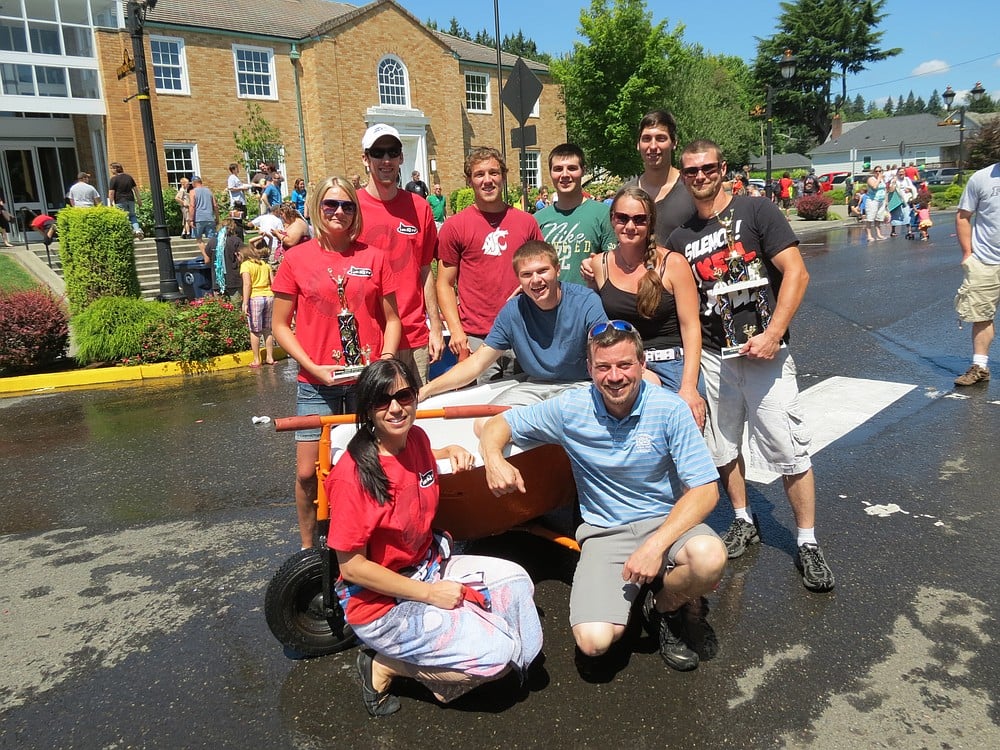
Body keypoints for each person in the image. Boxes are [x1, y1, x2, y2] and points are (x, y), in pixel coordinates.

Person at [479, 320, 725, 673]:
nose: (614, 376)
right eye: (603, 367)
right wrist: (493, 460)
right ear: (590, 369)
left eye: (625, 365)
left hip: (666, 522)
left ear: (642, 365)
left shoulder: (669, 409)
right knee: (593, 644)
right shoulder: (570, 408)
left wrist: (654, 547)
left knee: (709, 558)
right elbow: (499, 424)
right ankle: (647, 587)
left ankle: (665, 607)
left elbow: (704, 490)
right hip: (606, 531)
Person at [328, 359, 543, 716]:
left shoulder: (416, 439)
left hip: (429, 564)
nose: (396, 408)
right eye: (382, 401)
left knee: (517, 583)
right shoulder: (353, 476)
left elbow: (411, 469)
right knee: (498, 656)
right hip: (381, 601)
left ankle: (469, 652)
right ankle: (384, 665)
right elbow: (351, 569)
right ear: (366, 407)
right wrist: (430, 594)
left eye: (404, 395)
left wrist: (446, 452)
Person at [667, 139, 835, 593]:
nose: (700, 176)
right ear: (683, 177)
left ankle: (807, 541)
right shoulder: (681, 238)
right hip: (715, 359)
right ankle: (743, 518)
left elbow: (797, 273)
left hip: (767, 357)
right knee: (723, 448)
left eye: (707, 168)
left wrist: (774, 333)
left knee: (789, 449)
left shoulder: (757, 212)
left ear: (723, 169)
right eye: (691, 171)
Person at [271, 175, 401, 549]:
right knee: (307, 473)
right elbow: (280, 325)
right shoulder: (296, 258)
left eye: (347, 205)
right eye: (331, 205)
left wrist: (386, 362)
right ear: (317, 208)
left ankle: (371, 539)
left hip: (365, 382)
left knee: (370, 465)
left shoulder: (374, 257)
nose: (339, 212)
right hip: (316, 384)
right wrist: (311, 366)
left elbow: (392, 319)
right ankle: (309, 549)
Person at [419, 240, 607, 414]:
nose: (535, 280)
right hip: (534, 386)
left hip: (580, 386)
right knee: (485, 424)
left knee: (563, 417)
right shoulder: (513, 311)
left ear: (557, 270)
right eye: (526, 274)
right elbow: (477, 363)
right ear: (518, 278)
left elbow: (608, 351)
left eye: (542, 271)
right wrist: (426, 390)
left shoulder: (586, 302)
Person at [587, 186, 705, 428]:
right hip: (623, 371)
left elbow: (691, 327)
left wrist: (689, 387)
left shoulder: (673, 264)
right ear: (612, 219)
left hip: (673, 367)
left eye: (639, 219)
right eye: (622, 218)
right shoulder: (599, 265)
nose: (630, 226)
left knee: (682, 451)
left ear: (650, 223)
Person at [436, 147, 544, 381]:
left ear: (504, 177)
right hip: (478, 335)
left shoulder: (526, 223)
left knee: (524, 403)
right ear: (469, 180)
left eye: (494, 173)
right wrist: (456, 332)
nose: (487, 180)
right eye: (479, 174)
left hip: (524, 330)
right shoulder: (455, 226)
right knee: (482, 406)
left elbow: (544, 272)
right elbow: (444, 283)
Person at [358, 124, 443, 386]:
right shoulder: (351, 208)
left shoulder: (419, 207)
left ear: (401, 157)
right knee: (372, 419)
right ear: (365, 158)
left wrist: (436, 327)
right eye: (378, 153)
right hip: (369, 339)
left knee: (415, 414)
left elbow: (425, 269)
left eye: (392, 152)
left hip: (414, 335)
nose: (386, 160)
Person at [534, 143, 616, 286]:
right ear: (551, 173)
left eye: (572, 168)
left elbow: (614, 262)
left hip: (589, 301)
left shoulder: (603, 214)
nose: (565, 175)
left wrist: (597, 265)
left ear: (583, 171)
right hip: (548, 302)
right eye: (558, 169)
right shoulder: (537, 219)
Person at [953, 162, 1000, 386]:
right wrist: (967, 253)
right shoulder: (981, 178)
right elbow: (963, 216)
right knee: (981, 315)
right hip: (985, 260)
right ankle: (980, 367)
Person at [625, 111, 696, 245]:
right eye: (646, 139)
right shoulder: (625, 194)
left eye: (661, 138)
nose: (653, 146)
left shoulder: (691, 188)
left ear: (674, 143)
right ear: (638, 144)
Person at [240, 236, 276, 368]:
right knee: (267, 329)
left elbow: (247, 284)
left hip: (255, 297)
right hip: (269, 296)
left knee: (255, 330)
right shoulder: (265, 265)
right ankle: (270, 357)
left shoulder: (246, 265)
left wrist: (244, 302)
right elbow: (273, 282)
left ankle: (256, 359)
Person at [204, 216, 243, 298]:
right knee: (236, 308)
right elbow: (242, 258)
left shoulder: (212, 241)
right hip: (234, 280)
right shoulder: (236, 240)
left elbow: (207, 260)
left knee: (221, 308)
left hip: (217, 281)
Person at [108, 162, 143, 239]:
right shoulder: (129, 177)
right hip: (130, 199)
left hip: (120, 200)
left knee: (122, 217)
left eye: (111, 168)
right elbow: (135, 189)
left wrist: (110, 203)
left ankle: (126, 234)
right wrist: (139, 200)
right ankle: (137, 230)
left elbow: (111, 192)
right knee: (132, 216)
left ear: (115, 169)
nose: (110, 170)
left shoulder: (114, 179)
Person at [189, 176, 218, 254]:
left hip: (198, 219)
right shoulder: (209, 191)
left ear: (194, 183)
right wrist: (217, 218)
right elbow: (215, 205)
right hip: (210, 218)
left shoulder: (192, 192)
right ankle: (214, 255)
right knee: (212, 239)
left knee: (199, 240)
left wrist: (191, 219)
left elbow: (192, 205)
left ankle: (206, 256)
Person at [887, 167, 917, 238]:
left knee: (907, 215)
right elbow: (891, 190)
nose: (901, 173)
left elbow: (912, 188)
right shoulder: (894, 180)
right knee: (895, 215)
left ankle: (909, 231)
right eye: (900, 172)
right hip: (897, 200)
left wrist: (909, 190)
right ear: (897, 173)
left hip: (906, 200)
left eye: (903, 172)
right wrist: (893, 182)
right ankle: (893, 231)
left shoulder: (907, 179)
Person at [864, 167, 888, 242]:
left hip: (881, 200)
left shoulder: (882, 180)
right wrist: (878, 179)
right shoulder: (871, 179)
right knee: (870, 218)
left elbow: (885, 190)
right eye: (876, 171)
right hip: (872, 200)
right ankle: (869, 235)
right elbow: (874, 187)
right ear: (873, 172)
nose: (878, 172)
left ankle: (878, 234)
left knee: (879, 218)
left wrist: (886, 200)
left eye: (880, 171)